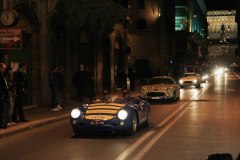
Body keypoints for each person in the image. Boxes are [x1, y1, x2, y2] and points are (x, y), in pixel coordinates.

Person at [0, 63, 9, 128]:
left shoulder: (2, 75)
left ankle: (2, 123)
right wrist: (2, 95)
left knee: (2, 110)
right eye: (4, 69)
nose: (5, 70)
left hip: (4, 95)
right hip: (1, 95)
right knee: (1, 110)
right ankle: (1, 123)